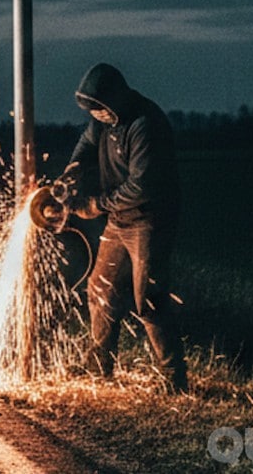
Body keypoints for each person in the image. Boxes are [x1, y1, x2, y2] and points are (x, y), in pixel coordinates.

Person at [63, 62, 188, 392]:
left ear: (113, 100)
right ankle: (98, 368)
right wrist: (70, 174)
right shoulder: (103, 121)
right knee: (101, 290)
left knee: (148, 299)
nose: (97, 117)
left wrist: (95, 205)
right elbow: (86, 147)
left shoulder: (145, 124)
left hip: (150, 220)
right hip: (119, 222)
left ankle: (173, 380)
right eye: (93, 112)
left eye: (100, 110)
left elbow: (141, 186)